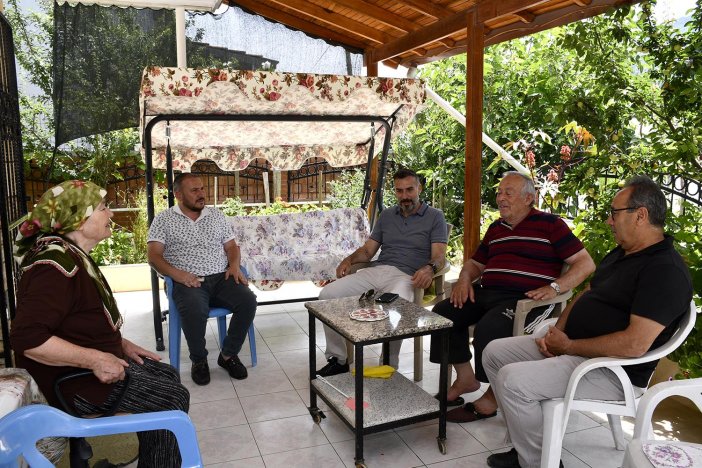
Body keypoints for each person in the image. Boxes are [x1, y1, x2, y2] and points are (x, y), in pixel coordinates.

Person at [483, 175, 693, 468]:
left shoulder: (664, 271)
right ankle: (527, 446)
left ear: (640, 215)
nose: (609, 221)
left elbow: (634, 345)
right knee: (494, 352)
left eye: (614, 213)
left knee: (513, 380)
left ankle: (538, 462)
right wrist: (557, 333)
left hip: (611, 370)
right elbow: (587, 294)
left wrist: (568, 346)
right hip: (576, 350)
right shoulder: (623, 254)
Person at [11, 180, 190, 467]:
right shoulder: (52, 266)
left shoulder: (70, 255)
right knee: (172, 398)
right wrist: (95, 359)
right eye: (103, 208)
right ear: (79, 219)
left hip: (80, 372)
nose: (111, 213)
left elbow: (77, 321)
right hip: (72, 383)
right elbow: (27, 338)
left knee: (167, 376)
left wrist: (121, 343)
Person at [429, 171, 595, 421]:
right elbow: (475, 263)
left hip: (526, 301)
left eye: (508, 193)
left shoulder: (551, 225)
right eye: (499, 193)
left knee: (489, 329)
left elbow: (585, 263)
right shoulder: (496, 228)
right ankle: (465, 378)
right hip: (488, 293)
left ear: (529, 198)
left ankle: (492, 397)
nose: (500, 198)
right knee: (443, 314)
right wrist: (464, 279)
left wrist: (555, 287)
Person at [317, 168, 448, 376]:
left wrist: (430, 269)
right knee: (327, 295)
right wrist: (349, 260)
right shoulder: (386, 215)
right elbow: (368, 251)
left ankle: (387, 365)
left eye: (409, 190)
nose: (404, 196)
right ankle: (339, 359)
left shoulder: (435, 216)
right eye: (399, 191)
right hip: (377, 270)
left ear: (419, 188)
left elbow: (440, 256)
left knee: (396, 307)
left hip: (407, 276)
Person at [148, 173, 257, 385]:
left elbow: (231, 247)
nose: (201, 194)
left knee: (248, 301)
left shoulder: (216, 216)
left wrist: (234, 266)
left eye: (202, 189)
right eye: (194, 190)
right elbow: (154, 256)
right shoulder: (163, 220)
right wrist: (178, 275)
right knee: (194, 308)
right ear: (178, 194)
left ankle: (228, 355)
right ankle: (199, 360)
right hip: (187, 281)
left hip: (221, 277)